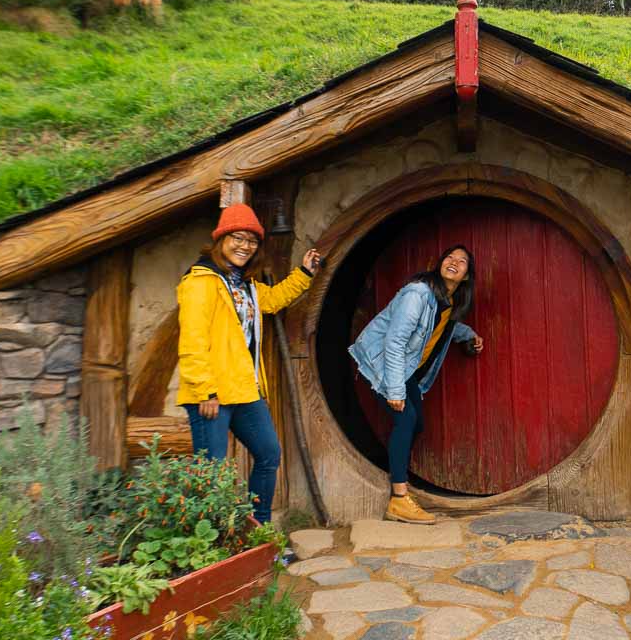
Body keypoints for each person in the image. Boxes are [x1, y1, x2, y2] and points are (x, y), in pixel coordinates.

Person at [176, 203, 321, 524]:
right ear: (220, 240)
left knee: (269, 454)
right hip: (211, 394)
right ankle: (212, 546)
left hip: (243, 389)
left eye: (252, 241)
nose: (244, 246)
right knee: (211, 472)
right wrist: (204, 391)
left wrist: (305, 273)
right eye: (237, 238)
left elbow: (271, 301)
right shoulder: (200, 281)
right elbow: (192, 340)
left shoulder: (246, 285)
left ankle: (259, 530)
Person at [349, 245, 485, 525]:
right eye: (450, 257)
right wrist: (396, 390)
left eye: (462, 262)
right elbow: (395, 341)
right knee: (406, 420)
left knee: (416, 424)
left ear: (466, 277)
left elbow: (440, 328)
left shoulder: (447, 302)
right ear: (439, 263)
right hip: (382, 362)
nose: (454, 262)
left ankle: (399, 480)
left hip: (404, 367)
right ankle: (399, 499)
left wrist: (468, 335)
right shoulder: (419, 293)